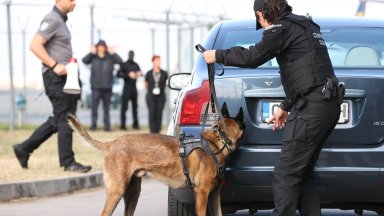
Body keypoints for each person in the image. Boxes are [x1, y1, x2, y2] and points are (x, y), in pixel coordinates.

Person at [202, 0, 341, 215]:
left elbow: (253, 56)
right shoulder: (306, 25)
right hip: (327, 105)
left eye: (261, 22)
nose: (263, 28)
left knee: (285, 174)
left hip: (312, 108)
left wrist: (217, 55)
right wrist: (286, 106)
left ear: (261, 14)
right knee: (303, 173)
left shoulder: (280, 29)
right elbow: (308, 72)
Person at [12, 0, 92, 173]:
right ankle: (68, 162)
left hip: (65, 78)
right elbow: (34, 45)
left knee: (59, 119)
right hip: (56, 78)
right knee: (66, 118)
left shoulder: (61, 20)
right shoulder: (53, 19)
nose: (75, 3)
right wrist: (54, 65)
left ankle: (24, 149)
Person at [82, 40, 122, 131]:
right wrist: (91, 53)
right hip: (96, 87)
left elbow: (120, 61)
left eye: (103, 46)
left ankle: (107, 127)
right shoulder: (93, 57)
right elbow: (84, 60)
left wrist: (113, 53)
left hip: (107, 87)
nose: (101, 48)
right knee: (94, 108)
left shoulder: (110, 57)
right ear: (97, 47)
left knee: (106, 109)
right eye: (99, 46)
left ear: (105, 47)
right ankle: (93, 126)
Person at [117, 50, 142, 130]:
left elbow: (141, 73)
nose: (131, 56)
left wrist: (139, 73)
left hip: (134, 88)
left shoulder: (136, 64)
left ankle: (135, 124)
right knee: (124, 107)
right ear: (128, 55)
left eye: (132, 55)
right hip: (126, 88)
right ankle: (123, 125)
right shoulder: (124, 64)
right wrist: (128, 75)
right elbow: (118, 74)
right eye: (130, 55)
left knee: (135, 107)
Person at [144, 55, 168, 133]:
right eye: (157, 60)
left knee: (159, 112)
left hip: (161, 96)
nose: (158, 62)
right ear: (153, 62)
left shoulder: (164, 73)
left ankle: (158, 130)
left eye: (159, 60)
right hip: (151, 96)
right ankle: (152, 131)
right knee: (151, 112)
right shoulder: (148, 73)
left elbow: (166, 83)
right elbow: (145, 83)